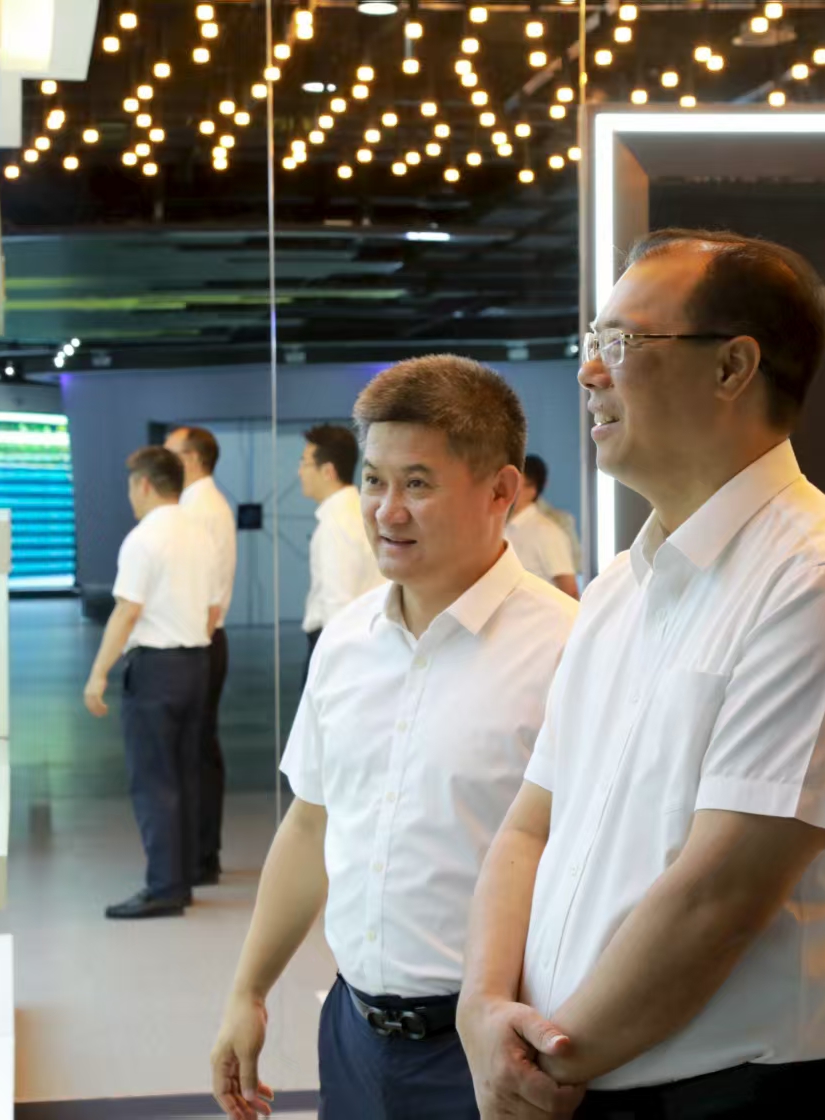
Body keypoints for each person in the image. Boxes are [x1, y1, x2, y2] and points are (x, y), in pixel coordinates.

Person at [460, 229, 825, 1120]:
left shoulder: (823, 584)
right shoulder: (618, 592)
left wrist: (539, 1072)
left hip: (751, 1103)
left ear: (732, 367)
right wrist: (480, 1010)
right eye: (591, 343)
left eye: (619, 343)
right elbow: (529, 827)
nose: (589, 373)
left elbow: (719, 898)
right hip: (580, 1084)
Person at [210, 356, 580, 1120]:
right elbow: (311, 823)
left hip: (492, 1048)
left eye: (417, 483)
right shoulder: (345, 641)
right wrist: (248, 990)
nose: (386, 510)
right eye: (373, 481)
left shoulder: (570, 650)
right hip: (353, 1035)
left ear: (501, 492)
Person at [83, 446, 215, 920]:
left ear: (143, 484)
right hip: (196, 663)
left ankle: (164, 887)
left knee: (154, 781)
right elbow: (214, 607)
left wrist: (98, 672)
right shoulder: (200, 535)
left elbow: (127, 610)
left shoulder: (143, 539)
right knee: (184, 775)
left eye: (130, 487)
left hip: (157, 670)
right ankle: (182, 877)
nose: (130, 497)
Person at [165, 425, 237, 888]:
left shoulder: (199, 509)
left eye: (169, 453)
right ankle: (201, 853)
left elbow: (203, 590)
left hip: (201, 639)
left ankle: (199, 855)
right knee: (199, 750)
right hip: (205, 637)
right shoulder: (202, 504)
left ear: (191, 459)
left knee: (194, 753)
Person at [297, 422, 383, 682]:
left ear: (328, 471)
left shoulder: (337, 524)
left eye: (304, 463)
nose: (299, 472)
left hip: (339, 647)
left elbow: (339, 603)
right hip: (364, 643)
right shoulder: (355, 512)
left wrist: (335, 669)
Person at [504, 454, 580, 599]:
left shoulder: (547, 532)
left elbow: (570, 591)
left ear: (532, 490)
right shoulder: (503, 528)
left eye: (514, 485)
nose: (506, 491)